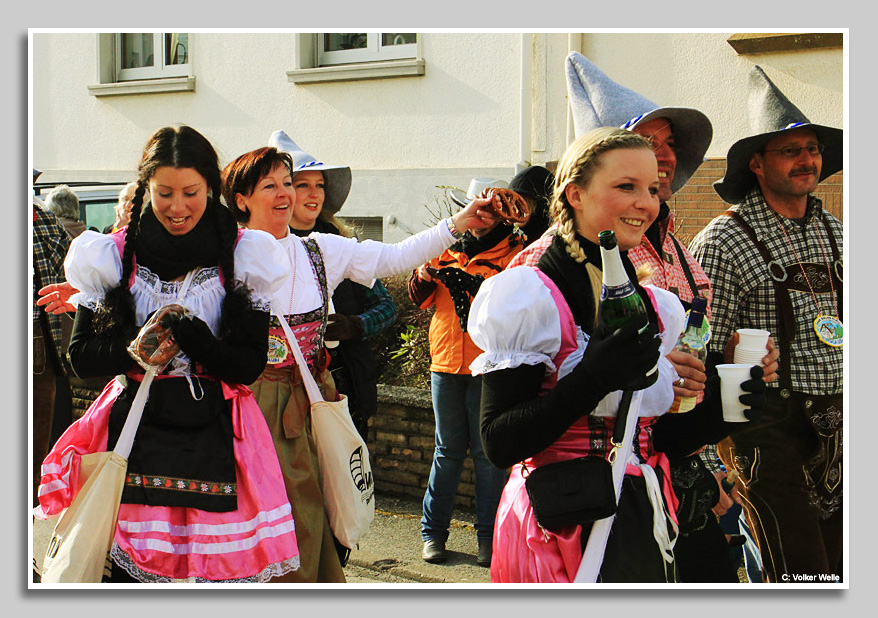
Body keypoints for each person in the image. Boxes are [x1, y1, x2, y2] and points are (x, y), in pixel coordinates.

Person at [469, 127, 765, 583]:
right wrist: (594, 376)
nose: (645, 203)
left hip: (640, 519)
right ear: (576, 195)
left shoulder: (660, 306)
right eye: (625, 186)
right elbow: (500, 442)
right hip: (558, 528)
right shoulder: (531, 294)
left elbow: (656, 438)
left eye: (651, 188)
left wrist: (727, 405)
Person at [33, 125, 301, 583]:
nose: (178, 207)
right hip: (131, 431)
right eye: (164, 193)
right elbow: (82, 357)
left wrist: (201, 343)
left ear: (212, 188)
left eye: (191, 192)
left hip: (218, 433)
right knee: (125, 581)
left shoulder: (245, 256)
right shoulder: (111, 256)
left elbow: (249, 363)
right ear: (146, 189)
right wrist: (140, 345)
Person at [220, 145, 499, 583]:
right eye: (269, 185)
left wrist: (456, 225)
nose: (285, 194)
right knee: (270, 518)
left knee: (326, 509)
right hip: (253, 405)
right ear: (240, 199)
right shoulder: (226, 255)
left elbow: (392, 258)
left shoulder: (318, 250)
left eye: (287, 183)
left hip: (317, 399)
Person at [561, 50, 781, 583]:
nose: (660, 154)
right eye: (646, 140)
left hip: (682, 453)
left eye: (667, 143)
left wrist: (730, 365)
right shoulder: (563, 262)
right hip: (611, 474)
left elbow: (689, 356)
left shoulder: (675, 246)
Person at [689, 65, 844, 583]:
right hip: (767, 433)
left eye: (813, 149)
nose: (807, 160)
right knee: (799, 573)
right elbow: (698, 353)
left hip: (845, 430)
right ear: (756, 164)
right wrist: (714, 462)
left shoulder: (840, 235)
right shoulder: (723, 241)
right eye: (791, 150)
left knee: (846, 570)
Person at [409, 177, 525, 568]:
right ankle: (433, 535)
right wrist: (422, 276)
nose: (482, 217)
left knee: (486, 454)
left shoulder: (517, 252)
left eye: (491, 211)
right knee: (447, 451)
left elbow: (515, 302)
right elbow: (420, 297)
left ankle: (490, 541)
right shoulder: (445, 247)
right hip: (444, 361)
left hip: (487, 366)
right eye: (478, 208)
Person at [269, 131, 397, 442]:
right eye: (302, 185)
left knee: (348, 479)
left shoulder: (341, 247)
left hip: (346, 386)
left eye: (320, 185)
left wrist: (355, 326)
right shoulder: (262, 250)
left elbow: (386, 307)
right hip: (283, 394)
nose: (314, 194)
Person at [32, 196, 71, 508]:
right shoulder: (45, 222)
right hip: (39, 341)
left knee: (36, 442)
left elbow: (72, 275)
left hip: (39, 340)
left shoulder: (44, 222)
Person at [508, 165, 554, 246]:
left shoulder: (552, 244)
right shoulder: (513, 239)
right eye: (511, 201)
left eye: (521, 202)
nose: (514, 208)